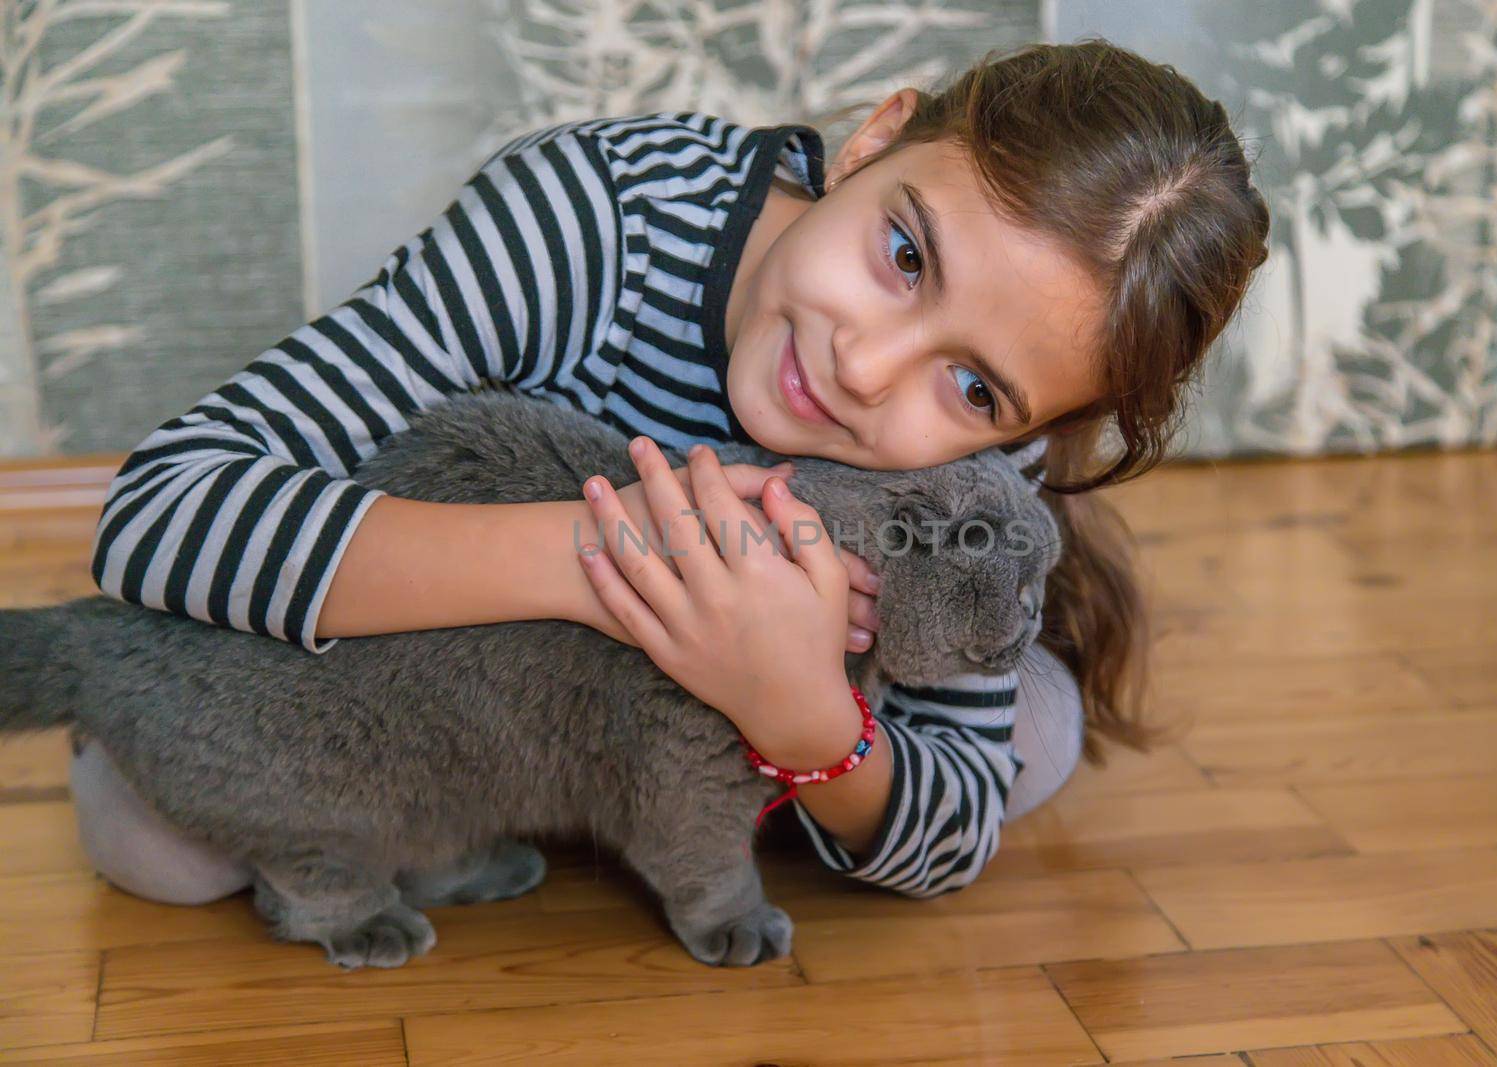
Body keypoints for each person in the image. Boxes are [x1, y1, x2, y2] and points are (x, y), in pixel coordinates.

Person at [71, 38, 1271, 906]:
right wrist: (617, 566)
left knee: (1034, 736)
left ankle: (665, 788)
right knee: (153, 839)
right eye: (905, 254)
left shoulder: (986, 448)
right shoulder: (591, 222)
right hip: (470, 683)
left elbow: (949, 835)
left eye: (972, 389)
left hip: (702, 724)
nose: (864, 365)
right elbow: (161, 508)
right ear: (870, 139)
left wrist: (796, 701)